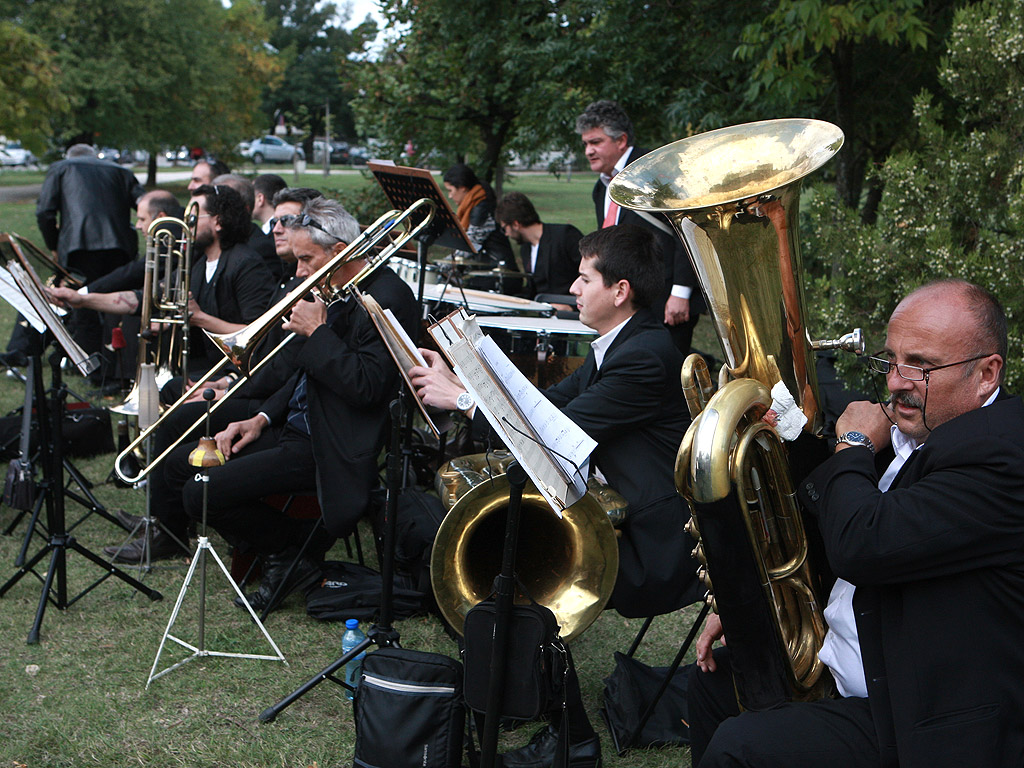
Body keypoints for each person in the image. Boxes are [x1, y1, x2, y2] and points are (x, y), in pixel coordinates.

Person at [688, 279, 1024, 768]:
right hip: (859, 663)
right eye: (891, 359)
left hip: (919, 717)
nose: (895, 381)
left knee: (741, 748)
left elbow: (863, 542)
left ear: (987, 374)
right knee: (713, 685)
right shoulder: (922, 425)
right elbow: (823, 508)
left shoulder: (1001, 454)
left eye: (922, 366)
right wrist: (757, 606)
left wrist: (853, 444)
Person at [410, 224, 701, 768]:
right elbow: (542, 405)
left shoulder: (646, 355)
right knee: (510, 564)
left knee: (523, 574)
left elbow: (554, 430)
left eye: (583, 277)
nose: (572, 287)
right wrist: (467, 381)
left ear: (619, 291)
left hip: (665, 541)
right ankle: (519, 697)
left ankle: (570, 736)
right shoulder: (620, 345)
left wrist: (465, 401)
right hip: (633, 517)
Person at [134, 197, 418, 608]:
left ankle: (290, 549)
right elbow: (305, 374)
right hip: (293, 426)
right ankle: (291, 547)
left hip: (330, 443)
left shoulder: (387, 294)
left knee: (200, 492)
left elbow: (368, 387)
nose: (299, 271)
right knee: (182, 467)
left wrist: (318, 333)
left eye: (307, 259)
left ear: (339, 252)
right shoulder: (338, 288)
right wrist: (260, 418)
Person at [575, 100, 704, 356]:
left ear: (621, 141)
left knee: (665, 375)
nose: (588, 151)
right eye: (586, 144)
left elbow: (689, 228)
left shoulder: (654, 170)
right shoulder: (601, 187)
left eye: (596, 142)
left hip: (667, 299)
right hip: (628, 302)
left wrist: (680, 292)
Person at [32, 143, 145, 377]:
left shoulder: (61, 168)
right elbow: (144, 203)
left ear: (69, 155)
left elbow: (45, 212)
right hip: (119, 246)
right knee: (115, 304)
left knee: (82, 304)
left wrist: (53, 245)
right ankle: (118, 367)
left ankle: (90, 368)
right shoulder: (120, 171)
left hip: (78, 246)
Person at [494, 191, 582, 302]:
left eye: (504, 229)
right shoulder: (525, 249)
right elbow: (532, 290)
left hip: (569, 308)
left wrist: (571, 306)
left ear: (516, 224)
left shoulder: (565, 235)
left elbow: (590, 274)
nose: (506, 234)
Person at [442, 163, 513, 266]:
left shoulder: (482, 208)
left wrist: (441, 266)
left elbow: (470, 246)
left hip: (496, 269)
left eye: (450, 190)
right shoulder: (476, 202)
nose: (449, 196)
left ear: (462, 188)